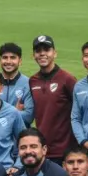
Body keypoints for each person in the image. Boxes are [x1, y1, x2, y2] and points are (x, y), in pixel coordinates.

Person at [29, 35, 77, 164]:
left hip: (64, 151)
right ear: (33, 55)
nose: (42, 54)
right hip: (42, 150)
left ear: (54, 53)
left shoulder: (67, 79)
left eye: (47, 50)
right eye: (38, 51)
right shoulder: (32, 81)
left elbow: (80, 111)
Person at [0, 42, 34, 125]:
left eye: (13, 58)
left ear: (20, 61)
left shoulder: (28, 84)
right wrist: (15, 111)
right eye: (5, 57)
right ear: (0, 61)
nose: (8, 61)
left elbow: (28, 117)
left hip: (18, 136)